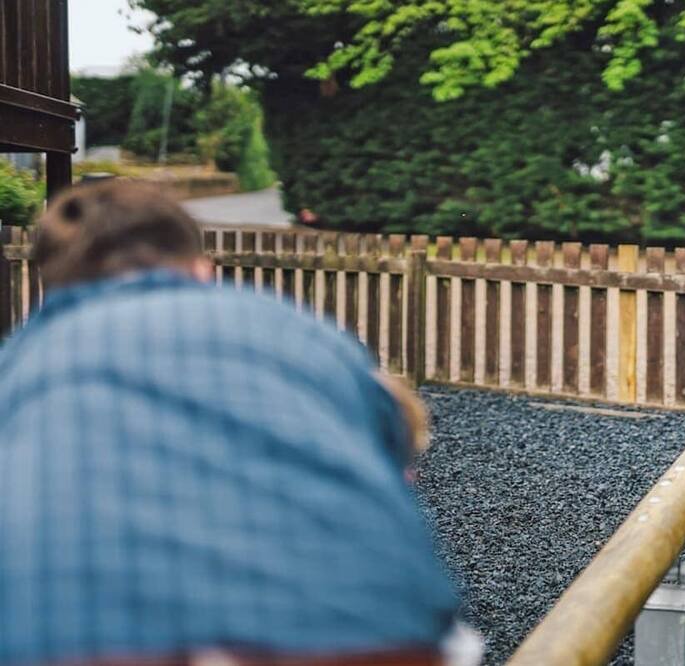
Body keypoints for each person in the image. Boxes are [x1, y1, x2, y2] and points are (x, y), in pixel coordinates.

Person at [0, 181, 475, 666]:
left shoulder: (22, 359)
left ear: (52, 285)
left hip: (65, 642)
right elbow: (399, 435)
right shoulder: (296, 328)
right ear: (202, 269)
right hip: (361, 636)